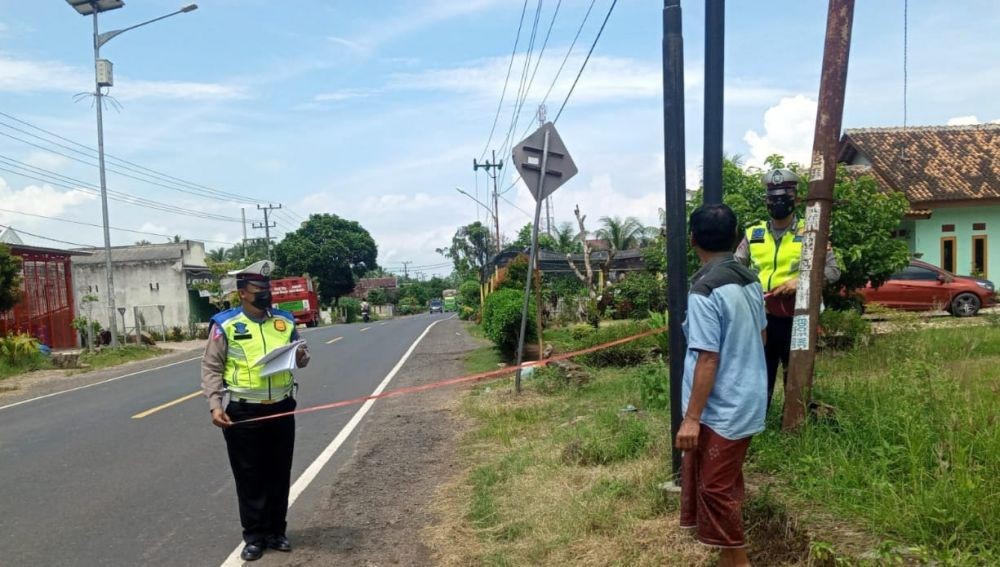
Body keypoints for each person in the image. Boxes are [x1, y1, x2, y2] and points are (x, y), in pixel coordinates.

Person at [201, 260, 310, 562]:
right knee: (250, 476)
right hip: (244, 412)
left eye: (267, 289)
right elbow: (211, 367)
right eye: (258, 290)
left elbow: (302, 357)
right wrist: (214, 403)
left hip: (281, 407)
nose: (266, 295)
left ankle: (277, 531)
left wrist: (302, 355)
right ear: (242, 293)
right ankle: (254, 536)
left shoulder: (285, 321)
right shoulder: (225, 324)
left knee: (279, 471)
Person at [677, 204, 767, 567]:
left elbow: (707, 357)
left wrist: (691, 419)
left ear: (692, 239)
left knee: (715, 490)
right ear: (736, 237)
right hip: (747, 397)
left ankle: (740, 562)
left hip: (724, 407)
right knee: (725, 484)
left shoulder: (704, 291)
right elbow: (761, 336)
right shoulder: (748, 279)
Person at [734, 168, 841, 411]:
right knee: (761, 373)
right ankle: (758, 423)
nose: (778, 203)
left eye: (784, 197)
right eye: (773, 198)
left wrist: (800, 282)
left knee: (795, 374)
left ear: (795, 198)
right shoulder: (753, 234)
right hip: (762, 318)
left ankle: (793, 423)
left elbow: (833, 271)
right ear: (766, 201)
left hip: (797, 317)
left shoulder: (811, 233)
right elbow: (735, 269)